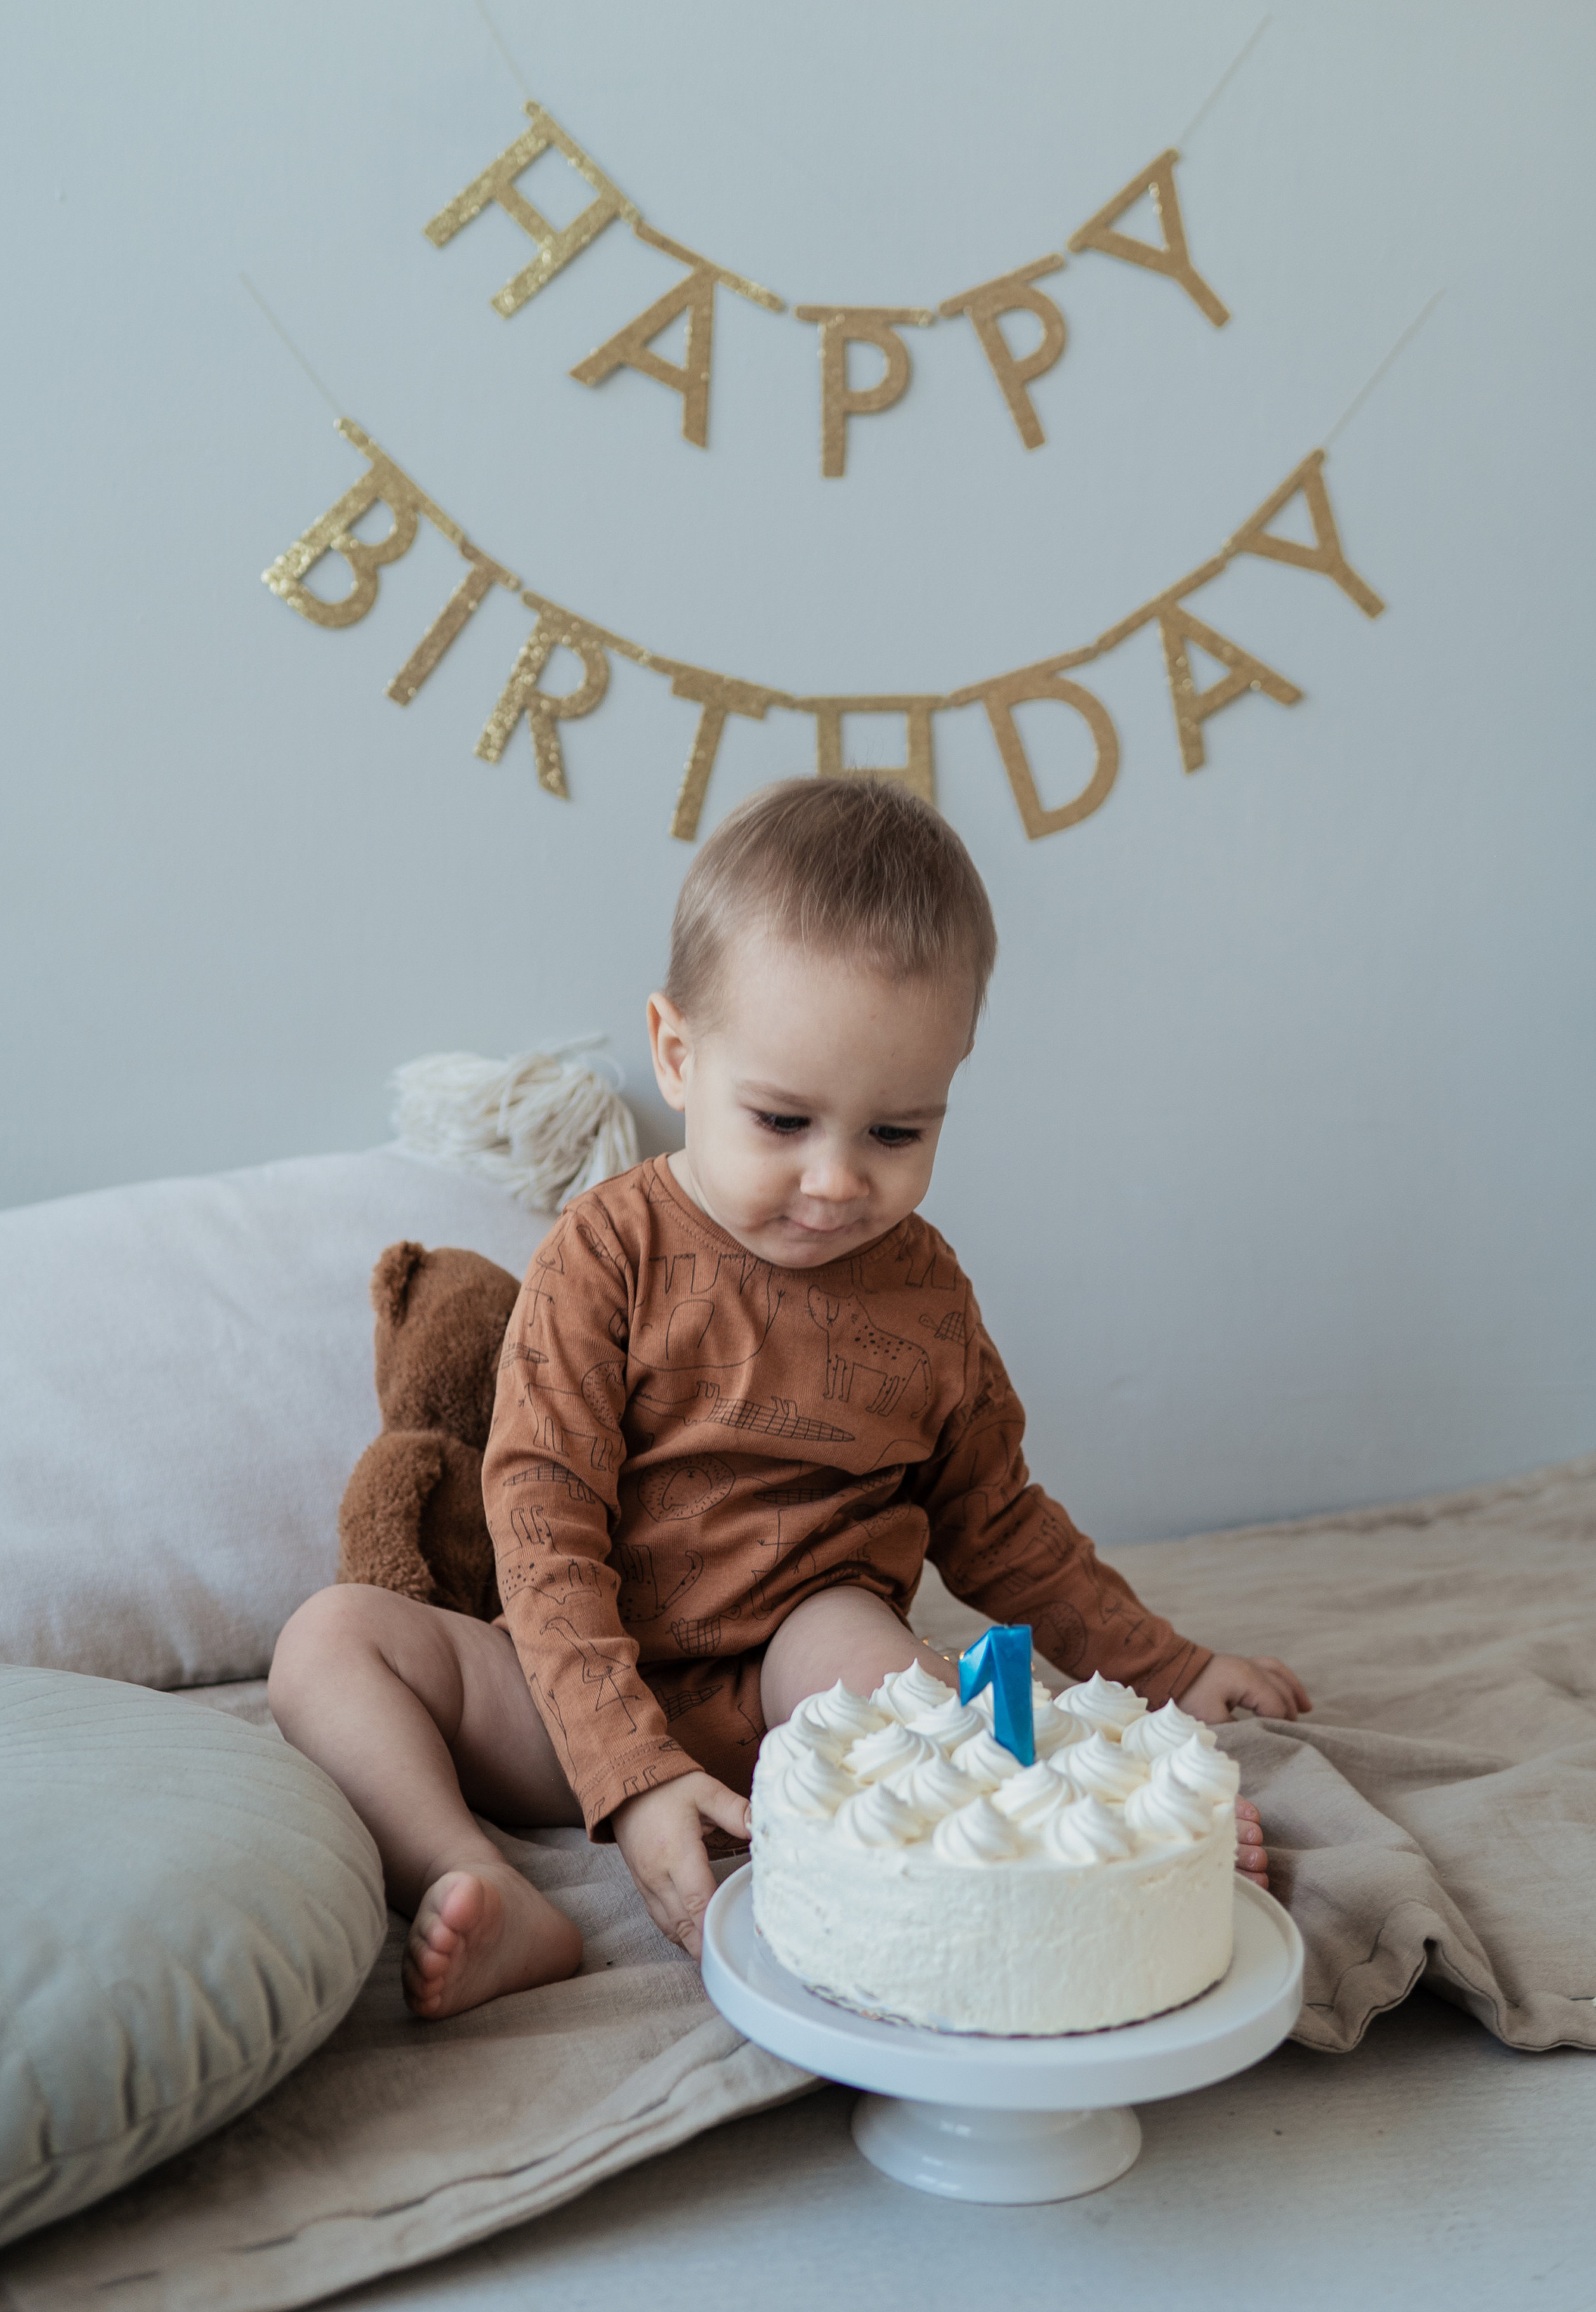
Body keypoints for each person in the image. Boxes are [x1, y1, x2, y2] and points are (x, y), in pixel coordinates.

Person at [271, 777, 1311, 2018]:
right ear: (677, 1050)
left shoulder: (926, 1295)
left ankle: (1064, 1845)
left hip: (808, 1711)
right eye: (781, 1119)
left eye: (895, 1132)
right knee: (328, 1643)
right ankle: (478, 1884)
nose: (833, 1180)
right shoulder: (607, 1253)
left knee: (869, 1641)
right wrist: (632, 1765)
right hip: (575, 1694)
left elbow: (1003, 1521)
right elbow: (539, 1521)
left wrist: (1170, 1667)